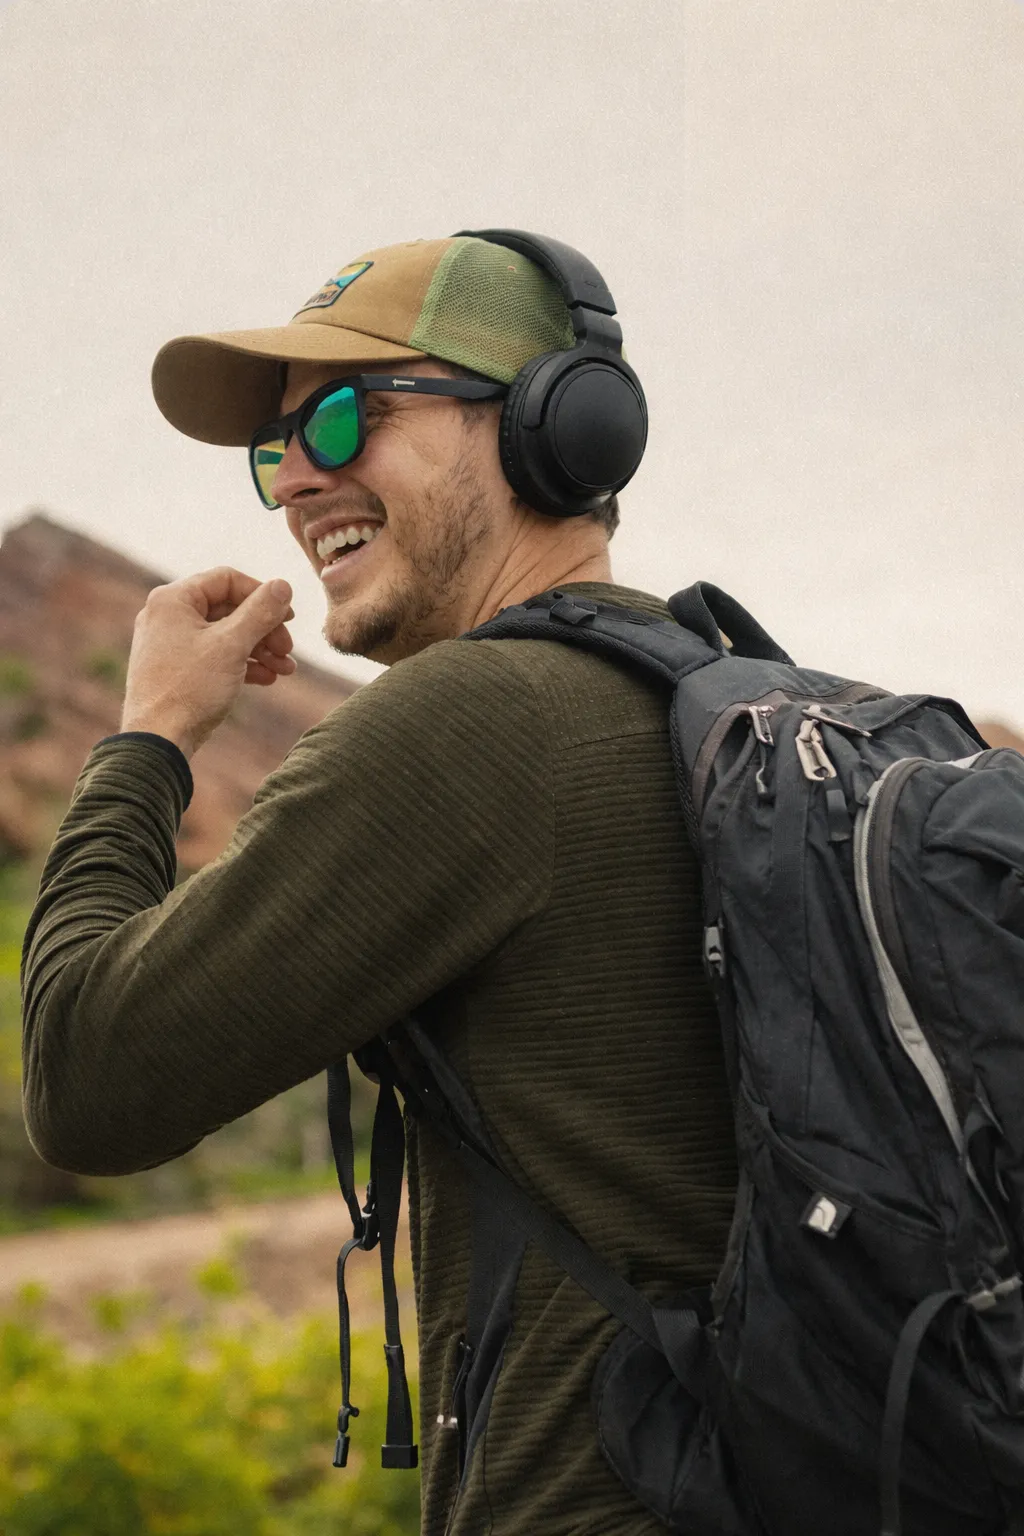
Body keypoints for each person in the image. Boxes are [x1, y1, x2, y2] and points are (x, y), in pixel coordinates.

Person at [21, 231, 737, 1535]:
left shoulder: (471, 723)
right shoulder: (729, 693)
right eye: (270, 450)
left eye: (345, 415)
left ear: (545, 428)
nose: (295, 478)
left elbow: (83, 1079)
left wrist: (150, 736)